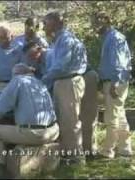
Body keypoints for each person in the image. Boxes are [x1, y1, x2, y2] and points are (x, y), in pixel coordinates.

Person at [0, 63, 59, 177]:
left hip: (35, 134)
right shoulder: (39, 82)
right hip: (53, 131)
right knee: (14, 127)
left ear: (16, 74)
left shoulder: (18, 81)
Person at [42, 12, 87, 165]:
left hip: (68, 82)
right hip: (62, 82)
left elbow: (60, 67)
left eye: (45, 23)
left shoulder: (66, 40)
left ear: (55, 23)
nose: (43, 27)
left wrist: (42, 81)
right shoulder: (58, 40)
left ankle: (76, 158)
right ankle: (65, 155)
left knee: (70, 121)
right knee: (63, 120)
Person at [92, 12, 133, 159]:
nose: (94, 25)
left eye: (97, 22)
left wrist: (115, 83)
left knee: (111, 117)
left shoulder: (115, 38)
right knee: (119, 114)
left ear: (107, 21)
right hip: (112, 80)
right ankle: (125, 148)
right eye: (93, 22)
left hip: (115, 81)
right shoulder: (109, 38)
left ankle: (108, 150)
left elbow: (120, 63)